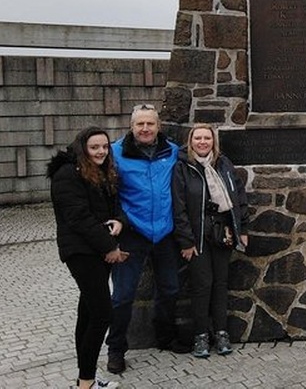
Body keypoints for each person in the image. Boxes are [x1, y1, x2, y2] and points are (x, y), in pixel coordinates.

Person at [48, 126, 129, 389]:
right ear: (83, 148)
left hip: (97, 250)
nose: (101, 151)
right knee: (102, 315)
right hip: (82, 252)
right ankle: (86, 383)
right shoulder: (67, 174)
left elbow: (114, 203)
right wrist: (110, 247)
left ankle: (87, 378)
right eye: (94, 147)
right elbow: (78, 218)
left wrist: (119, 220)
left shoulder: (102, 170)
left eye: (105, 147)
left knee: (87, 313)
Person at [105, 104, 182, 374]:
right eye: (140, 124)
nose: (145, 129)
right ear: (131, 126)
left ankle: (165, 337)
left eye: (150, 124)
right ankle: (116, 349)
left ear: (158, 126)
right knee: (123, 296)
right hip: (132, 234)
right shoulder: (114, 153)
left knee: (170, 289)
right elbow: (106, 192)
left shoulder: (172, 151)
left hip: (165, 233)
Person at [171, 123, 249, 358]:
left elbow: (239, 197)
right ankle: (201, 335)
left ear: (214, 141)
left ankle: (222, 333)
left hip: (222, 233)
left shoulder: (223, 164)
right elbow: (178, 207)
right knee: (202, 286)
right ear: (191, 142)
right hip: (197, 237)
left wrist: (242, 228)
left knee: (221, 285)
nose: (202, 142)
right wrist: (186, 241)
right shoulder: (183, 168)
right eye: (198, 138)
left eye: (207, 138)